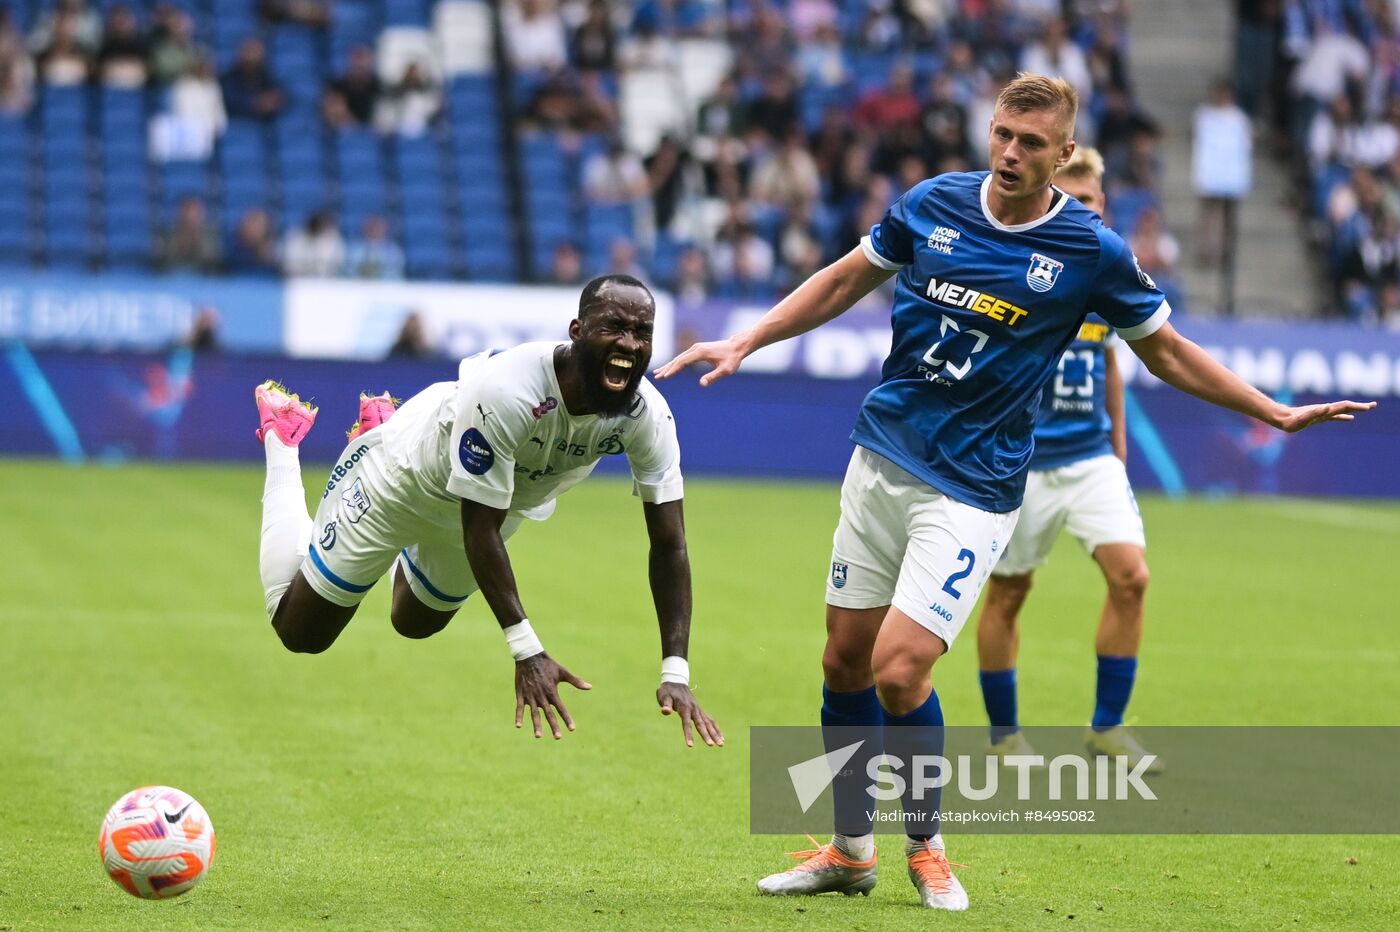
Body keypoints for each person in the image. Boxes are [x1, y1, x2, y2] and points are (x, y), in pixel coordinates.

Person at [656, 73, 1373, 912]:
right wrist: (750, 338)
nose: (1011, 152)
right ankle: (852, 852)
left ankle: (927, 846)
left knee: (897, 668)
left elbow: (1168, 352)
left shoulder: (1090, 253)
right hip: (880, 460)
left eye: (1032, 143)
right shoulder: (933, 203)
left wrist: (1271, 411)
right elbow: (846, 278)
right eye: (1003, 134)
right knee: (842, 660)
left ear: (1063, 154)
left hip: (971, 490)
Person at [253, 275, 723, 748]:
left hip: (493, 506)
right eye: (614, 327)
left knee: (413, 623)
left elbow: (670, 542)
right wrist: (527, 650)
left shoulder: (647, 416)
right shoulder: (511, 390)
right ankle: (284, 438)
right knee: (300, 632)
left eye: (642, 332)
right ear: (577, 331)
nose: (628, 343)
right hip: (402, 481)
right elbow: (479, 528)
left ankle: (377, 422)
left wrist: (676, 671)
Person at [973, 145, 1161, 773]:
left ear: (1102, 206)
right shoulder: (1028, 265)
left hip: (1089, 456)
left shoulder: (1107, 268)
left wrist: (1119, 449)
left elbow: (1110, 356)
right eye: (1069, 201)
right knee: (1009, 592)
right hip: (1023, 460)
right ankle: (1005, 738)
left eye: (1089, 204)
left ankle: (1107, 729)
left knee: (1132, 578)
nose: (1080, 212)